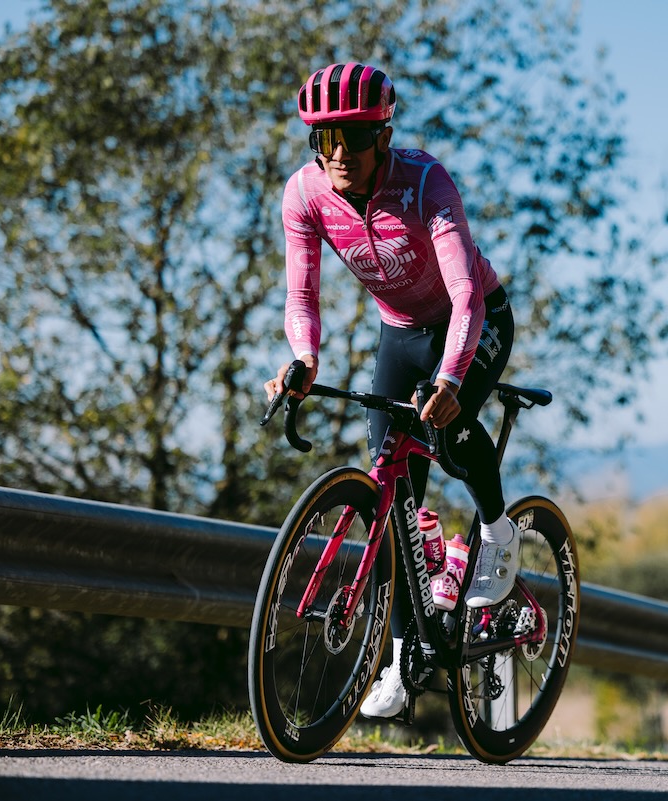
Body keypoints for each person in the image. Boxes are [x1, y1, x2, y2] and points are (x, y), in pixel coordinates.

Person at [263, 62, 519, 719]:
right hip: (399, 335)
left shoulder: (426, 182)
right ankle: (404, 659)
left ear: (383, 136)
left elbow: (466, 294)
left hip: (472, 321)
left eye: (352, 137)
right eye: (325, 140)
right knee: (392, 493)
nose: (338, 153)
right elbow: (301, 294)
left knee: (447, 433)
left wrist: (452, 378)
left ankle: (498, 532)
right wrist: (304, 357)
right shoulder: (305, 194)